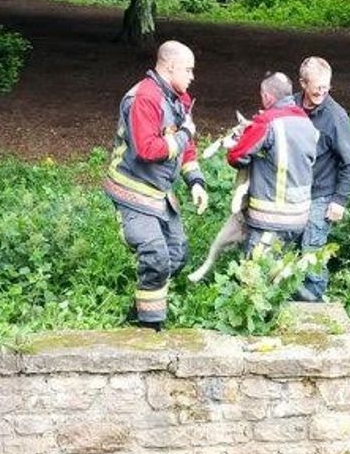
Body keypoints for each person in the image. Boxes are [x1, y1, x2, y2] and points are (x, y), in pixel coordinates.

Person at [103, 41, 208, 331]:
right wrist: (185, 133)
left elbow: (186, 148)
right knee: (156, 256)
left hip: (160, 193)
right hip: (133, 192)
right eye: (188, 69)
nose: (192, 76)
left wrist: (195, 181)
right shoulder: (144, 98)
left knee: (177, 255)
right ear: (170, 66)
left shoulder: (179, 98)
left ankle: (140, 309)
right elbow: (148, 150)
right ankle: (149, 327)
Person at [226, 72, 317, 256]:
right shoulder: (306, 121)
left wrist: (239, 140)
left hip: (271, 217)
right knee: (281, 269)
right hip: (299, 217)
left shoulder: (267, 122)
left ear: (267, 96)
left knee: (255, 270)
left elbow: (237, 156)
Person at [294, 56, 350, 301]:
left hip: (322, 195)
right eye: (317, 87)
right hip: (293, 192)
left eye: (326, 86)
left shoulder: (335, 116)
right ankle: (290, 299)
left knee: (311, 251)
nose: (322, 91)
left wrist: (339, 201)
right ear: (303, 83)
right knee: (289, 249)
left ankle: (314, 304)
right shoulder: (290, 107)